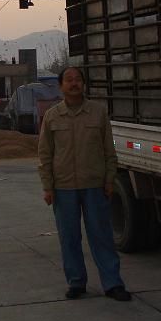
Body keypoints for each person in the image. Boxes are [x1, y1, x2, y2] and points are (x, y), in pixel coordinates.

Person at [37, 66, 131, 302]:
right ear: (61, 86)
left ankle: (113, 283)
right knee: (69, 238)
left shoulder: (98, 113)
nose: (74, 83)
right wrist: (48, 187)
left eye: (77, 79)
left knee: (101, 236)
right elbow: (45, 154)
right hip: (63, 188)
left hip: (94, 185)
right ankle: (76, 282)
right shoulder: (52, 116)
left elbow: (109, 151)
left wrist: (109, 179)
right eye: (69, 80)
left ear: (83, 84)